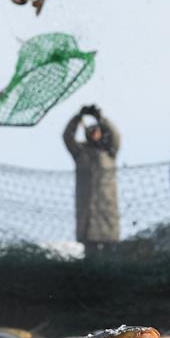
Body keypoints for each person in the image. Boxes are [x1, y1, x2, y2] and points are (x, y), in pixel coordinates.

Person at [62, 104, 120, 257]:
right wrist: (78, 117)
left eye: (97, 130)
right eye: (91, 130)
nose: (94, 133)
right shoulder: (80, 153)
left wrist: (101, 118)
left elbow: (116, 136)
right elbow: (67, 136)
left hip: (107, 210)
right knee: (90, 252)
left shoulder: (110, 152)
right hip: (87, 210)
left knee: (110, 252)